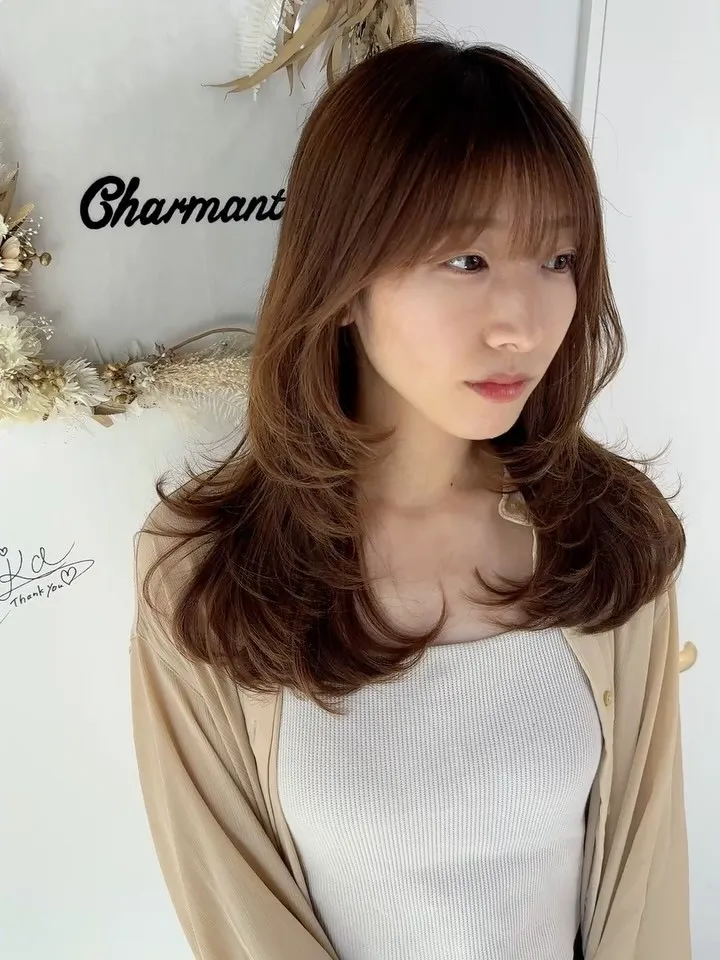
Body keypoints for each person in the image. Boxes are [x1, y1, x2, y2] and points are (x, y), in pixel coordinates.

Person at [130, 38, 691, 960]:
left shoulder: (608, 536)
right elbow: (237, 915)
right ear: (343, 283)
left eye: (557, 258)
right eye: (467, 259)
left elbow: (646, 892)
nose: (522, 325)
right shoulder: (206, 570)